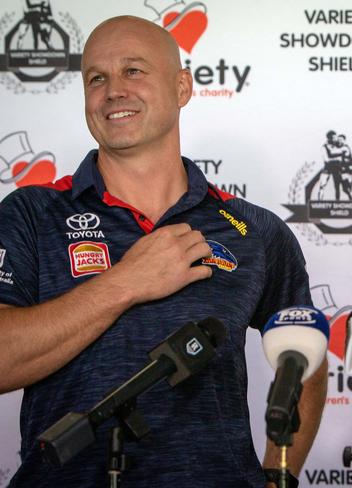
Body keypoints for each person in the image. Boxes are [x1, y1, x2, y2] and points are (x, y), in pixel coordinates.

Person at [0, 16, 327, 488]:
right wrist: (126, 282)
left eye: (133, 71)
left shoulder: (254, 230)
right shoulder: (32, 214)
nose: (113, 90)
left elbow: (308, 358)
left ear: (182, 88)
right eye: (97, 78)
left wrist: (280, 475)